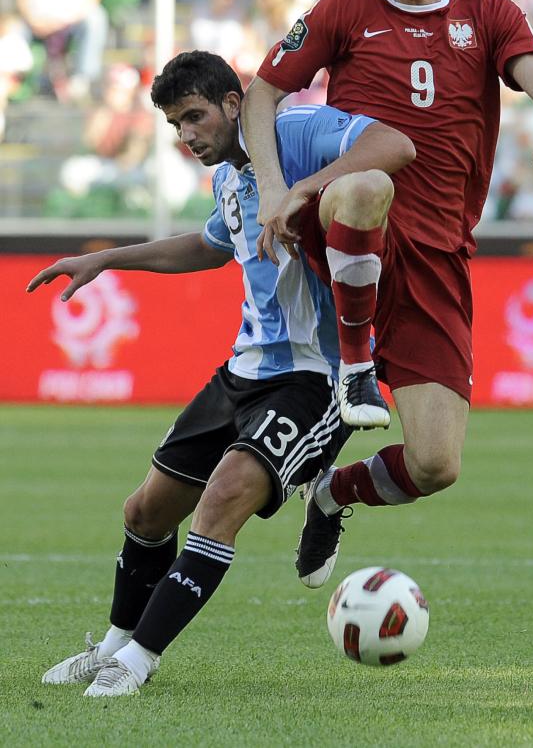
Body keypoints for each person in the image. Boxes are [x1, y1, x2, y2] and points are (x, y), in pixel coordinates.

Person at [27, 49, 414, 697]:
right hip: (243, 369)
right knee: (146, 512)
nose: (186, 135)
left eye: (195, 117)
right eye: (177, 124)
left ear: (236, 105)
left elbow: (392, 145)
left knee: (222, 500)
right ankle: (114, 644)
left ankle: (139, 660)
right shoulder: (227, 178)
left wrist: (300, 190)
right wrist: (106, 259)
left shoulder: (297, 132)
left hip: (314, 376)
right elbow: (210, 247)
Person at [240, 0, 533, 588]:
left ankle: (330, 493)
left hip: (436, 258)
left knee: (435, 464)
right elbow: (262, 93)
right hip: (346, 227)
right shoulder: (343, 10)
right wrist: (275, 187)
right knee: (368, 185)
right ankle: (355, 368)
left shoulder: (485, 13)